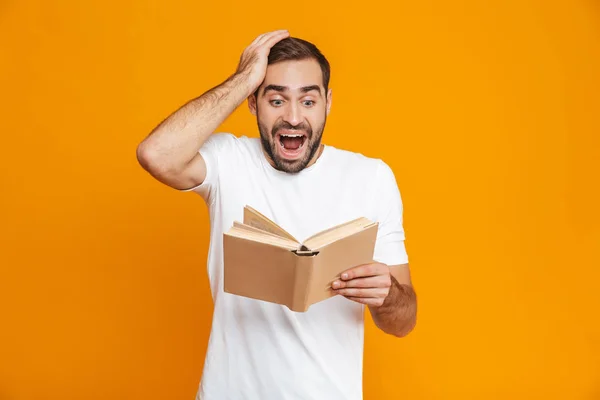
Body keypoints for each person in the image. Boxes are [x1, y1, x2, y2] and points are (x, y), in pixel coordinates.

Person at [136, 29, 417, 400]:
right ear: (253, 104)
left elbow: (403, 322)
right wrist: (242, 79)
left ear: (328, 103)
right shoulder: (227, 161)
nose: (293, 117)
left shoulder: (372, 178)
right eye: (276, 100)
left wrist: (388, 295)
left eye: (308, 101)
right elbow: (155, 154)